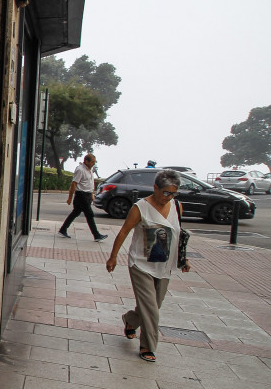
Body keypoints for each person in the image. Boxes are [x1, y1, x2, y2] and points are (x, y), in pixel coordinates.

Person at [105, 170, 191, 362]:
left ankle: (130, 320)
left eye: (173, 194)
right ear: (155, 188)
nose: (169, 197)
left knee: (153, 306)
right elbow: (124, 232)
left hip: (164, 266)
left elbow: (178, 235)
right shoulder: (140, 207)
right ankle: (147, 347)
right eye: (166, 193)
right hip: (141, 265)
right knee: (151, 309)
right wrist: (113, 257)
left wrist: (183, 259)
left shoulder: (177, 206)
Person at [58, 153, 108, 241]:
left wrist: (92, 194)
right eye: (92, 162)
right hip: (81, 195)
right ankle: (96, 235)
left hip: (87, 195)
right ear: (86, 161)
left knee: (75, 212)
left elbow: (90, 182)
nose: (93, 164)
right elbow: (74, 183)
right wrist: (70, 198)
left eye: (94, 162)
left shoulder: (90, 169)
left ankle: (63, 229)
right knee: (90, 214)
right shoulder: (80, 170)